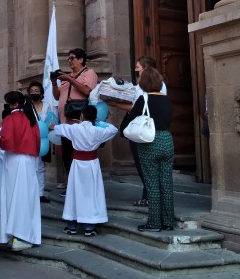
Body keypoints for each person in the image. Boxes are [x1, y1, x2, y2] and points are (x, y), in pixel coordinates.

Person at [119, 69, 175, 232]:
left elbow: (130, 120)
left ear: (143, 83)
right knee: (166, 183)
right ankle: (168, 221)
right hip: (167, 140)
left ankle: (154, 222)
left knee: (152, 183)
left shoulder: (143, 99)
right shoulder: (167, 100)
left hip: (150, 141)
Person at [106, 56, 166, 207]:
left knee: (143, 165)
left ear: (145, 68)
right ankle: (152, 196)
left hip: (143, 130)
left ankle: (150, 197)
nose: (135, 69)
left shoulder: (148, 86)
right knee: (149, 167)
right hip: (156, 130)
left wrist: (115, 103)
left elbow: (136, 108)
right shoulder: (158, 85)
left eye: (138, 67)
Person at [51, 105, 118, 236]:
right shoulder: (97, 130)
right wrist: (99, 122)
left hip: (77, 164)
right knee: (91, 194)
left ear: (81, 116)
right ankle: (89, 227)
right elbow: (113, 129)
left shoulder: (74, 128)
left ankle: (72, 226)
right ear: (94, 117)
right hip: (92, 165)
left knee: (74, 193)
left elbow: (56, 128)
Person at [0, 91, 41, 251]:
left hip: (13, 159)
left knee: (13, 196)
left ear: (13, 104)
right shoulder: (31, 119)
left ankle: (15, 234)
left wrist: (2, 144)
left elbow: (6, 140)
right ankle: (25, 235)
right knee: (26, 196)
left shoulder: (10, 119)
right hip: (29, 159)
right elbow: (37, 141)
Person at [52, 48, 99, 190]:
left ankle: (80, 186)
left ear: (81, 59)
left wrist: (69, 79)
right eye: (69, 59)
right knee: (66, 154)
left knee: (78, 155)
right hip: (65, 122)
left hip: (79, 123)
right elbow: (56, 96)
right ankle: (71, 184)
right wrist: (54, 83)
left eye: (72, 58)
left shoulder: (88, 73)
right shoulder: (68, 77)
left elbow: (86, 90)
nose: (70, 61)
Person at [27, 81, 57, 203]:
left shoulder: (47, 106)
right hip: (30, 139)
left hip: (43, 139)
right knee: (30, 166)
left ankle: (40, 193)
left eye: (37, 91)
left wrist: (50, 126)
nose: (34, 93)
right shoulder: (27, 107)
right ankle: (29, 192)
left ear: (41, 93)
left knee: (41, 167)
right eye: (32, 91)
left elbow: (52, 120)